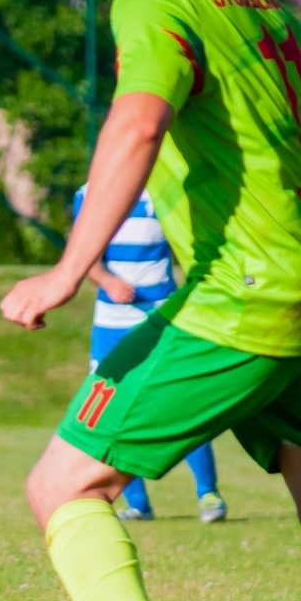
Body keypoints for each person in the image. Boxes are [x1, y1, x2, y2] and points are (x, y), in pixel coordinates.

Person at [0, 0, 301, 601]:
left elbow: (136, 121)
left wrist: (68, 267)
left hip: (240, 300)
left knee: (63, 485)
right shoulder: (264, 4)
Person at [73, 184, 227, 524]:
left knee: (182, 403)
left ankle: (208, 493)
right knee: (110, 410)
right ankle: (138, 503)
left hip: (160, 314)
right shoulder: (88, 194)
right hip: (111, 322)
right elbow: (83, 257)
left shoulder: (164, 190)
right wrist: (108, 281)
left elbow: (190, 246)